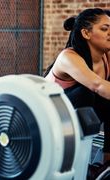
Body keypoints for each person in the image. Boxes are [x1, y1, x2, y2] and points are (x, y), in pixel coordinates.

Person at [44, 8, 110, 166]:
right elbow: (98, 85)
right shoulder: (68, 57)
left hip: (78, 116)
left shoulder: (106, 56)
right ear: (86, 33)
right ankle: (74, 163)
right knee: (86, 92)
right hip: (46, 118)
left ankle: (106, 163)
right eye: (105, 29)